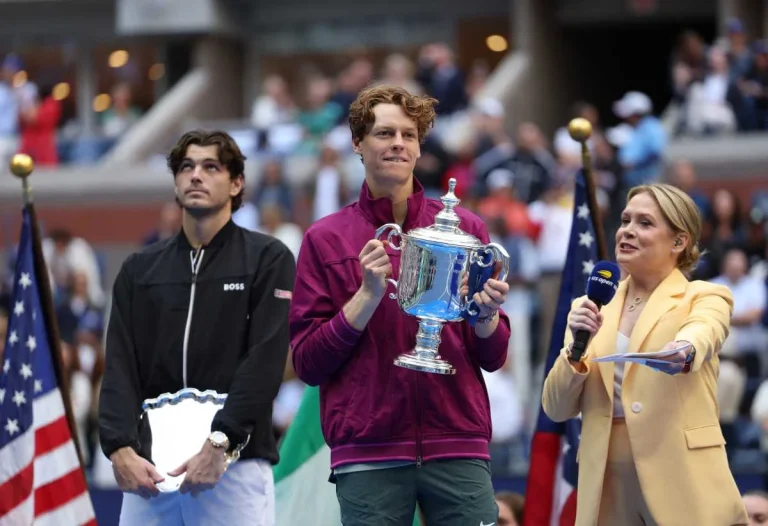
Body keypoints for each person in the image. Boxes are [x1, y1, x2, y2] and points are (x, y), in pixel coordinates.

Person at [288, 85, 511, 526]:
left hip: (457, 441)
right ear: (357, 143)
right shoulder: (325, 239)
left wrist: (486, 316)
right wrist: (365, 297)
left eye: (409, 135)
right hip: (368, 450)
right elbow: (308, 364)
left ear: (420, 146)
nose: (398, 144)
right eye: (384, 133)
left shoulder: (466, 229)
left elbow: (494, 355)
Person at [98, 130, 295, 525]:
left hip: (234, 467)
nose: (196, 175)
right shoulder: (139, 270)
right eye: (186, 167)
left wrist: (221, 442)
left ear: (236, 183)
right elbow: (119, 365)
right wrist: (119, 447)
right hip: (150, 474)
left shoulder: (267, 258)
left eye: (211, 167)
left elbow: (265, 362)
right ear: (175, 182)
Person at [542, 183, 748, 526]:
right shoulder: (587, 307)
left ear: (679, 242)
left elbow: (704, 330)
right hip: (606, 485)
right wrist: (574, 353)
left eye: (645, 223)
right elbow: (556, 407)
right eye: (625, 220)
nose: (627, 230)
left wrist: (684, 349)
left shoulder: (705, 296)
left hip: (682, 480)